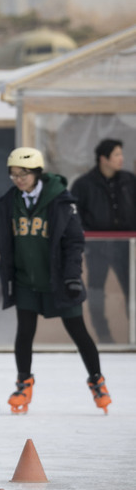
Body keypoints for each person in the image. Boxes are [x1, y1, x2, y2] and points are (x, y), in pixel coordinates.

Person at [0, 147, 112, 414]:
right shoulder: (9, 203)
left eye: (23, 174)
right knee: (24, 333)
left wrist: (72, 276)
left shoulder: (61, 202)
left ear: (37, 173)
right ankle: (23, 383)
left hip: (60, 281)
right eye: (13, 174)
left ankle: (97, 381)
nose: (18, 179)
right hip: (26, 281)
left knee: (79, 332)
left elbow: (74, 242)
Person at [69, 138, 136, 344]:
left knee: (131, 289)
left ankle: (132, 333)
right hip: (96, 246)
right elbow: (74, 214)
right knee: (96, 291)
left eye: (120, 154)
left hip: (127, 246)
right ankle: (103, 335)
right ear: (103, 158)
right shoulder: (83, 184)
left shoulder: (129, 180)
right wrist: (87, 236)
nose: (121, 159)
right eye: (116, 154)